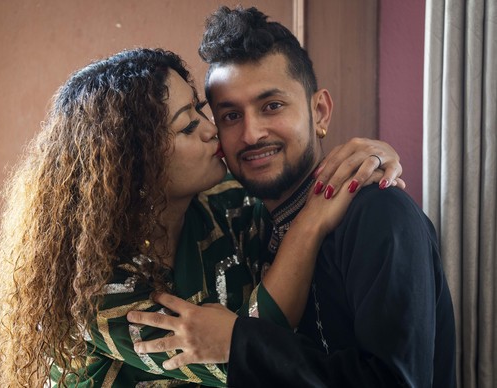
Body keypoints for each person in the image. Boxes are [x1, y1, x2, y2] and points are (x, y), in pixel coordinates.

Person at [0, 48, 402, 387]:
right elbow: (249, 355)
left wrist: (372, 159)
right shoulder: (94, 284)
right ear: (134, 166)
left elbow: (296, 187)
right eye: (188, 127)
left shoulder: (229, 204)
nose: (212, 130)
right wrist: (312, 223)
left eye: (201, 111)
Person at [127, 6, 456, 388]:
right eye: (231, 116)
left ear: (320, 112)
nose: (252, 134)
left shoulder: (380, 213)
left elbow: (397, 381)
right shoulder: (246, 224)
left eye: (272, 106)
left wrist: (238, 342)